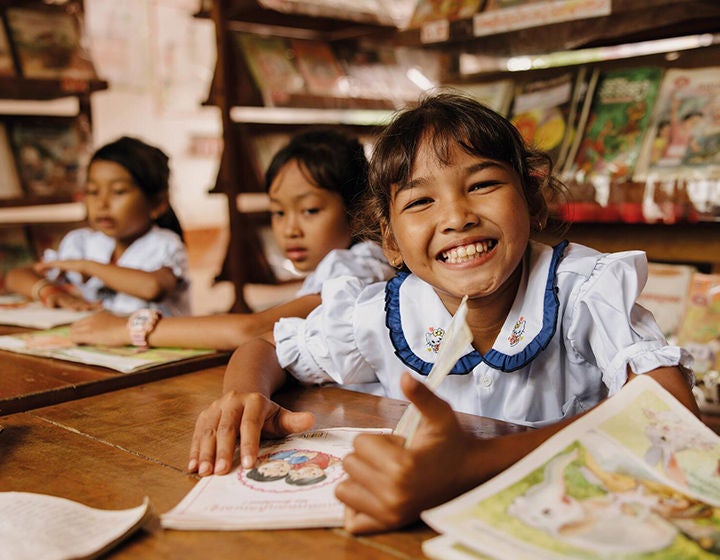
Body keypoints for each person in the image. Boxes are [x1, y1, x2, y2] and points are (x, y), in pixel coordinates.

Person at [187, 93, 698, 533]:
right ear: (389, 240)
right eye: (419, 202)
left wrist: (470, 465)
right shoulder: (385, 313)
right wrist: (243, 395)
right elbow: (269, 345)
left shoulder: (583, 289)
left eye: (481, 185)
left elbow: (669, 411)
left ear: (533, 200)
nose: (456, 217)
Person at [68, 129, 394, 350]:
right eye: (278, 213)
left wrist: (126, 329)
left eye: (309, 210)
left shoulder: (359, 268)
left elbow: (250, 330)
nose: (289, 229)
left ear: (359, 211)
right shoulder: (344, 264)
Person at [7, 136, 191, 317]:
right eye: (92, 192)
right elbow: (15, 276)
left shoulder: (165, 245)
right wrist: (51, 291)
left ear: (157, 204)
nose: (101, 203)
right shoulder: (82, 242)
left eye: (118, 192)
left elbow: (152, 287)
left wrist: (87, 267)